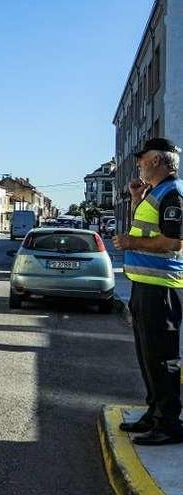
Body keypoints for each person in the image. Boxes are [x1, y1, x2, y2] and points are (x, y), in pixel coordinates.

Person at [113, 137, 183, 445]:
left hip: (163, 289)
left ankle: (169, 423)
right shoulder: (155, 193)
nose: (139, 162)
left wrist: (130, 243)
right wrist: (136, 199)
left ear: (157, 160)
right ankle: (154, 413)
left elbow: (172, 242)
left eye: (143, 159)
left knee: (161, 356)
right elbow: (146, 228)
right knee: (147, 355)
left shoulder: (174, 194)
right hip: (146, 285)